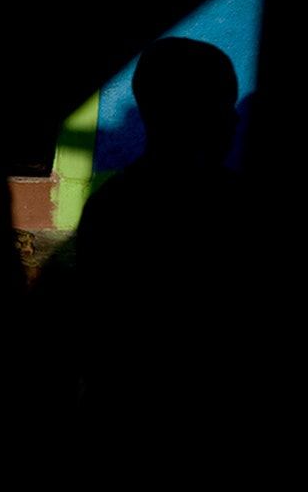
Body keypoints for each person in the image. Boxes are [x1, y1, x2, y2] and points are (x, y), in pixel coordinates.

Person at [73, 38, 250, 483]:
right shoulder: (232, 208)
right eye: (221, 103)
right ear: (186, 112)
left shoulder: (112, 204)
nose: (233, 117)